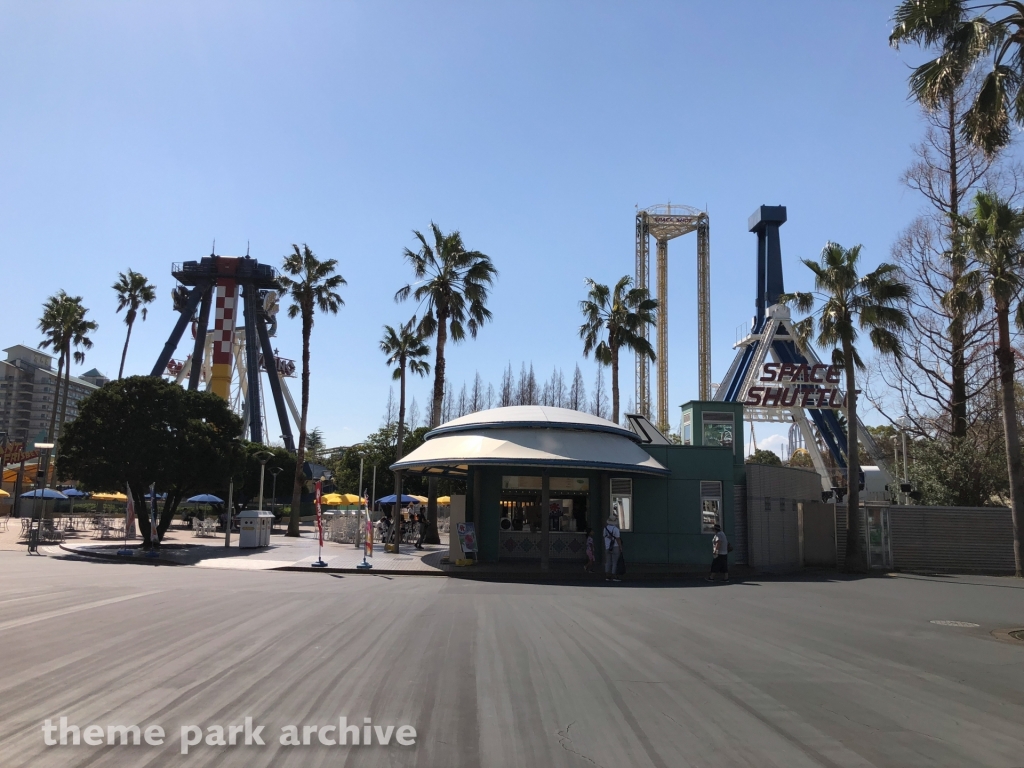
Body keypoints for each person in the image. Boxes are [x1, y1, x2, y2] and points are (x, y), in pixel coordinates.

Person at [603, 515, 622, 582]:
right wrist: (620, 547)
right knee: (615, 562)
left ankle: (607, 576)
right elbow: (618, 539)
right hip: (615, 546)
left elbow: (604, 536)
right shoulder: (616, 529)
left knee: (608, 561)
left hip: (607, 546)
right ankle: (614, 576)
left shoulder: (605, 528)